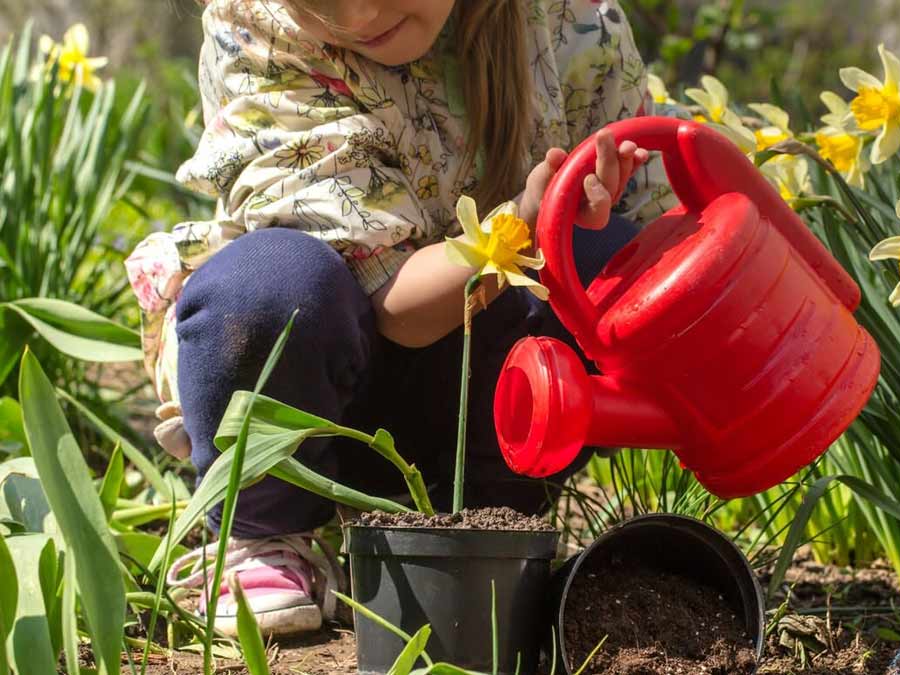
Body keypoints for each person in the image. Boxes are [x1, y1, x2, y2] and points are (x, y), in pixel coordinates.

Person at [124, 0, 679, 636]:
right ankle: (264, 531)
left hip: (485, 391)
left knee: (615, 261)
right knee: (267, 288)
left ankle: (486, 520)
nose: (359, 14)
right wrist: (522, 219)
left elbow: (663, 215)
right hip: (327, 392)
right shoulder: (260, 31)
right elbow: (401, 312)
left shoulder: (570, 19)